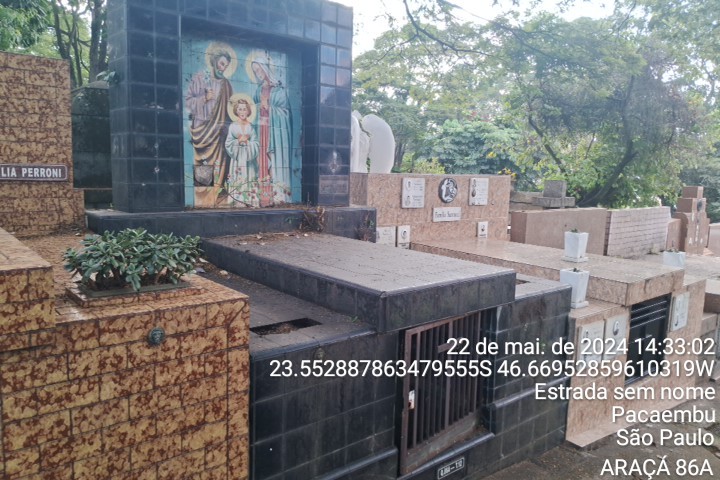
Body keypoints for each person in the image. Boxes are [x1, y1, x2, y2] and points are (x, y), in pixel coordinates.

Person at [185, 42, 236, 206]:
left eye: (226, 66)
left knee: (219, 167)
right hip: (202, 132)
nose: (223, 68)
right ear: (214, 61)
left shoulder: (226, 84)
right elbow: (188, 102)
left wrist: (228, 127)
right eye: (221, 63)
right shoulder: (199, 78)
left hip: (219, 135)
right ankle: (203, 202)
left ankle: (216, 200)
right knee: (203, 165)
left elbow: (231, 110)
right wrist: (204, 98)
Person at [250, 53, 292, 205]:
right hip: (260, 131)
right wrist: (257, 108)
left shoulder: (279, 90)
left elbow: (286, 114)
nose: (258, 73)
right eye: (255, 71)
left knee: (273, 161)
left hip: (275, 135)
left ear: (266, 68)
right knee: (261, 162)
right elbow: (252, 112)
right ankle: (264, 198)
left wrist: (269, 108)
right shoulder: (257, 91)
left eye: (259, 69)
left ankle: (278, 196)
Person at [225, 95, 260, 206]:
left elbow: (256, 144)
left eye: (244, 109)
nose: (242, 112)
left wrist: (248, 142)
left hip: (250, 160)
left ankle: (250, 200)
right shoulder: (232, 126)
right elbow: (228, 143)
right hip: (237, 160)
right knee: (238, 178)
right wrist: (238, 141)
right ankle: (237, 200)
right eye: (240, 109)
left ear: (248, 111)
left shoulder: (251, 127)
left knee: (250, 177)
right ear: (236, 110)